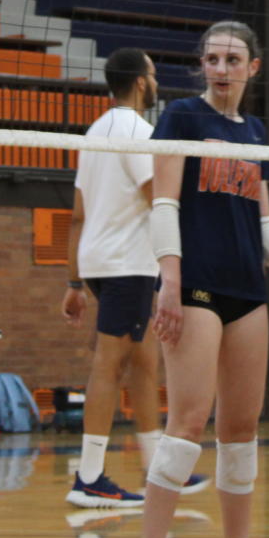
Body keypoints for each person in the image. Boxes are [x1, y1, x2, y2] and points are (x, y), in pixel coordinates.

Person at [124, 20, 269, 538]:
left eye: (232, 59)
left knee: (241, 429)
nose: (220, 69)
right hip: (197, 285)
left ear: (252, 68)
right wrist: (169, 276)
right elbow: (162, 201)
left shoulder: (255, 132)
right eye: (211, 58)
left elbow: (262, 221)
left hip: (246, 289)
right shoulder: (182, 117)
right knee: (187, 421)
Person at [65, 48, 179, 508]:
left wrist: (73, 283)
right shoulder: (137, 131)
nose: (156, 83)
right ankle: (90, 476)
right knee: (109, 365)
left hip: (101, 262)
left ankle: (156, 469)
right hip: (127, 265)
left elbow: (77, 215)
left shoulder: (95, 131)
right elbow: (160, 199)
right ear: (139, 82)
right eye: (153, 75)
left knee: (145, 362)